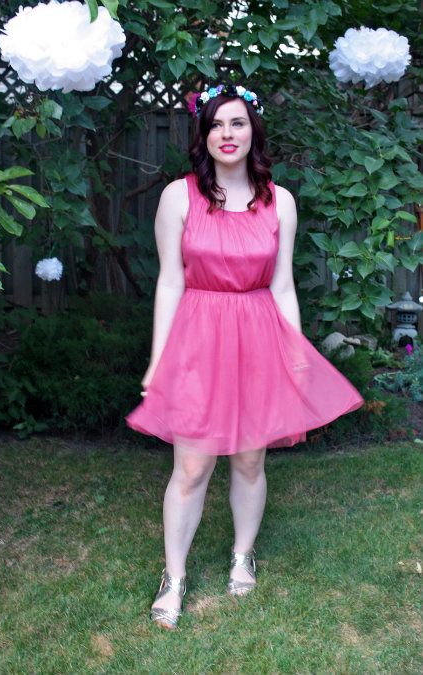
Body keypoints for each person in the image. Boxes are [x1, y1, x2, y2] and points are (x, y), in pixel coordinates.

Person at [125, 83, 364, 630]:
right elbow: (170, 282)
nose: (227, 134)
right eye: (216, 124)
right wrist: (158, 359)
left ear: (253, 131)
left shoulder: (280, 201)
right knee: (191, 465)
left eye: (237, 123)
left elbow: (282, 285)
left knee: (251, 459)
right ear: (203, 135)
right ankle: (174, 577)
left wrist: (296, 351)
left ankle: (242, 555)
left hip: (258, 336)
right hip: (198, 336)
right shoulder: (179, 197)